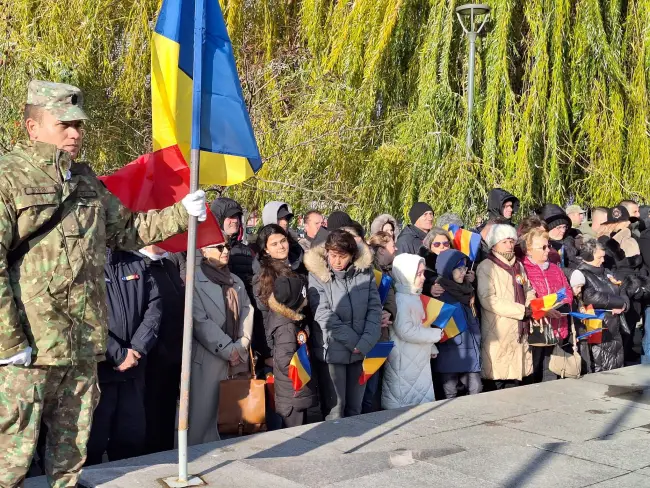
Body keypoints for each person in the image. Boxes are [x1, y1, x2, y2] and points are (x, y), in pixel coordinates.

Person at [0, 80, 205, 486]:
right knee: (13, 445)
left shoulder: (86, 181)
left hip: (80, 341)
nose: (75, 133)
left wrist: (182, 213)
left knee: (72, 440)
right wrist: (8, 342)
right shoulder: (8, 178)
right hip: (30, 343)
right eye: (64, 124)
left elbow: (128, 231)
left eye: (79, 125)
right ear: (31, 126)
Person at [85, 249, 162, 465]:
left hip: (133, 370)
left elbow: (154, 307)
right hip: (99, 373)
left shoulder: (137, 262)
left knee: (131, 441)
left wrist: (137, 347)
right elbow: (83, 316)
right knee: (92, 444)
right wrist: (117, 354)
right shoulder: (84, 262)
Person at [304, 230, 381, 419]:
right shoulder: (317, 275)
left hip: (361, 350)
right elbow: (323, 314)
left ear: (352, 255)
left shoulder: (365, 273)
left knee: (356, 409)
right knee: (335, 410)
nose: (337, 261)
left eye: (342, 257)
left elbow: (374, 309)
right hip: (332, 352)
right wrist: (353, 341)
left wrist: (364, 343)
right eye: (333, 256)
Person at [188, 242, 254, 445]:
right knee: (203, 419)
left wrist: (242, 344)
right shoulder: (194, 281)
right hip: (208, 359)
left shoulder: (236, 281)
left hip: (237, 358)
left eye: (226, 246)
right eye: (218, 247)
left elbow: (247, 311)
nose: (225, 251)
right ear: (203, 251)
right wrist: (227, 349)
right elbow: (199, 321)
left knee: (234, 418)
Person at [477, 224, 536, 390]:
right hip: (499, 329)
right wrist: (521, 311)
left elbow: (528, 288)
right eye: (504, 241)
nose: (510, 245)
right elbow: (488, 298)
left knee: (520, 380)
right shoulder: (487, 266)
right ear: (494, 244)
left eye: (511, 241)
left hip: (519, 329)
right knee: (500, 378)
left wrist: (530, 303)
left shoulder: (518, 266)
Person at [140, 246, 185, 455]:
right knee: (151, 415)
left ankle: (166, 454)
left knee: (167, 414)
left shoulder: (168, 264)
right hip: (152, 355)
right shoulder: (141, 264)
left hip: (174, 354)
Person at [381, 253, 442, 409]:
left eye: (423, 273)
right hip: (405, 359)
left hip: (416, 358)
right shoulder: (401, 299)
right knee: (404, 402)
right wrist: (435, 335)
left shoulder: (413, 296)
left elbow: (421, 324)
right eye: (418, 274)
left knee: (418, 398)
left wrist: (431, 346)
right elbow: (406, 331)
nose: (422, 278)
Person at [522, 229, 574, 383]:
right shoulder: (523, 269)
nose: (548, 250)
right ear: (529, 250)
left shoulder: (555, 268)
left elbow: (567, 291)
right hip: (537, 328)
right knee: (534, 370)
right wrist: (542, 310)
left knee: (552, 371)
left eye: (548, 246)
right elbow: (524, 296)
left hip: (557, 325)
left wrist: (563, 306)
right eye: (542, 247)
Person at [266, 276, 318, 428]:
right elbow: (285, 361)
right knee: (296, 433)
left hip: (293, 393)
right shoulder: (287, 328)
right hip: (293, 394)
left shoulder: (287, 320)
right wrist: (305, 372)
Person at [432, 250, 482, 398]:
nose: (463, 272)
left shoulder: (469, 289)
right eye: (459, 268)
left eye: (465, 268)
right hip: (450, 349)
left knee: (476, 388)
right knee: (450, 393)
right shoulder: (439, 291)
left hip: (470, 348)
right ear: (448, 269)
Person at [577, 239, 628, 372]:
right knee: (601, 365)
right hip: (598, 325)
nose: (603, 260)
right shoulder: (582, 274)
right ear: (589, 256)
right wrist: (620, 302)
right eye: (600, 257)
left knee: (617, 366)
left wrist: (624, 304)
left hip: (614, 325)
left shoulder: (606, 272)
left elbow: (621, 288)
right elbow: (591, 296)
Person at [362, 231, 398, 413]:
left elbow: (390, 300)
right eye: (392, 246)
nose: (396, 249)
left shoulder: (387, 272)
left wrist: (389, 313)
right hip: (366, 339)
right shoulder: (367, 270)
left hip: (381, 336)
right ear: (381, 250)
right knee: (366, 390)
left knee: (374, 389)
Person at [209, 198, 256, 295]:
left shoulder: (247, 251)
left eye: (237, 216)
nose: (235, 220)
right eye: (230, 216)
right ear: (219, 219)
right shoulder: (205, 250)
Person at [539, 204, 578, 271]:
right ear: (548, 229)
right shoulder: (540, 246)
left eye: (564, 227)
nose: (563, 230)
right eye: (559, 227)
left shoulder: (571, 242)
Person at [421, 227, 453, 298]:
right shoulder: (422, 264)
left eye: (446, 243)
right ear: (429, 246)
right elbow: (413, 285)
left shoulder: (457, 260)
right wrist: (429, 288)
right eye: (437, 244)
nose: (442, 247)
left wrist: (469, 279)